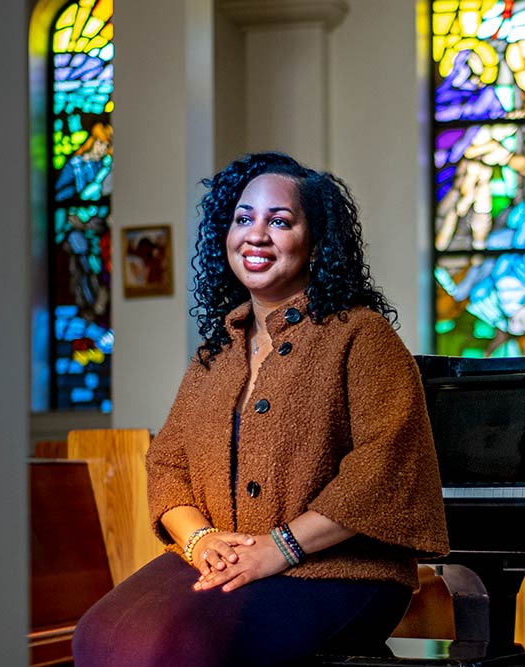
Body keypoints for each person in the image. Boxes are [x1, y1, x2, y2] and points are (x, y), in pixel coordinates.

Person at [72, 151, 450, 666]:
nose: (256, 234)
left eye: (280, 221)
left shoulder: (361, 335)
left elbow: (384, 469)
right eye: (244, 218)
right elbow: (168, 464)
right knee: (98, 635)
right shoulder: (217, 352)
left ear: (317, 242)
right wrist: (201, 540)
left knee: (174, 646)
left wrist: (281, 547)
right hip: (222, 561)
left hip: (341, 571)